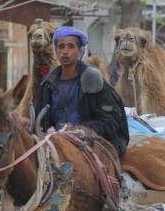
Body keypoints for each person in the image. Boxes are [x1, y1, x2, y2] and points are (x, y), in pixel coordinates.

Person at [35, 26, 130, 156]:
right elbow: (40, 123)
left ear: (80, 50)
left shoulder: (93, 80)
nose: (65, 51)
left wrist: (78, 130)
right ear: (55, 50)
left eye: (70, 46)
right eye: (61, 47)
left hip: (92, 144)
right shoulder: (47, 85)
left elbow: (111, 122)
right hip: (56, 145)